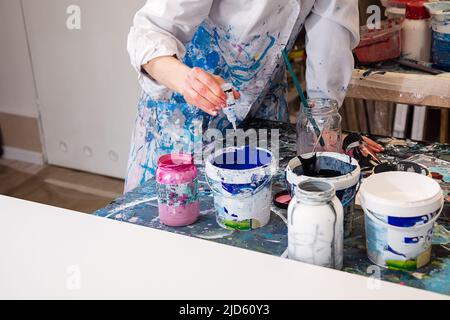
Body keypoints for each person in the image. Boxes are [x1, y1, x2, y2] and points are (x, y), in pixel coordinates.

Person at [125, 0, 361, 193]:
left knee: (257, 228)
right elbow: (151, 32)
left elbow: (331, 40)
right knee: (171, 229)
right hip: (183, 117)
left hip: (263, 115)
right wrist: (189, 82)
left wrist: (321, 123)